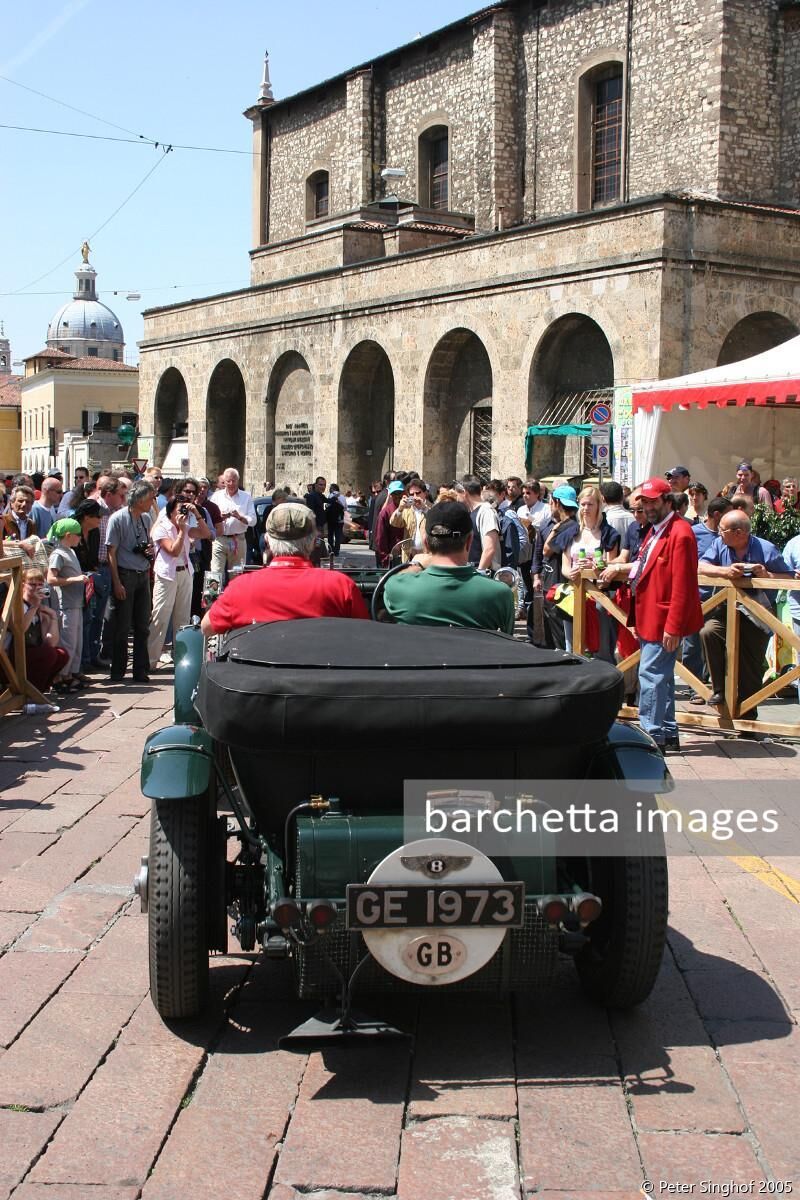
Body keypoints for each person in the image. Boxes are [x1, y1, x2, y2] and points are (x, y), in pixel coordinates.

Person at [201, 502, 369, 635]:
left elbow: (207, 627)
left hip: (259, 675)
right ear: (312, 542)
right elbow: (364, 634)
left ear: (267, 541)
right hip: (324, 674)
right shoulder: (340, 586)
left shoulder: (241, 587)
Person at [627, 476, 703, 754]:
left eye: (652, 501)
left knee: (651, 675)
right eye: (643, 502)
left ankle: (651, 733)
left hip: (663, 619)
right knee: (662, 676)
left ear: (667, 501)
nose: (647, 506)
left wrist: (673, 626)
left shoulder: (681, 532)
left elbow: (683, 584)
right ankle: (667, 733)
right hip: (650, 615)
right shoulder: (657, 529)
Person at [699, 511, 790, 716]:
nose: (719, 533)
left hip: (758, 613)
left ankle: (748, 714)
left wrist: (766, 575)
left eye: (722, 530)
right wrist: (726, 571)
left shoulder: (766, 548)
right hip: (725, 608)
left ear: (739, 532)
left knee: (749, 663)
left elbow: (789, 577)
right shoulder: (719, 544)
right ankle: (719, 690)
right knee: (708, 632)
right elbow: (701, 566)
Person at [382, 500, 515, 632]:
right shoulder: (500, 594)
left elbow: (390, 584)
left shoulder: (397, 586)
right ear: (469, 541)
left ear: (425, 543)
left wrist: (417, 564)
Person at [561, 486, 621, 660]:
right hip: (574, 593)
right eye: (583, 504)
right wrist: (570, 572)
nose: (586, 508)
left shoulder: (609, 533)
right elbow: (565, 566)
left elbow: (611, 563)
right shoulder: (571, 532)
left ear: (599, 506)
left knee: (601, 645)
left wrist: (598, 568)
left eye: (590, 504)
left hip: (599, 595)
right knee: (573, 644)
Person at [105, 479, 156, 683]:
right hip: (125, 575)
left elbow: (148, 544)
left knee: (143, 626)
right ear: (141, 499)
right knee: (123, 626)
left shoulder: (145, 519)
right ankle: (118, 671)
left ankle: (140, 670)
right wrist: (116, 582)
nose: (153, 501)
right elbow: (111, 553)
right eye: (150, 498)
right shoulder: (117, 519)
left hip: (143, 574)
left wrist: (149, 551)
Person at [147, 495, 196, 671]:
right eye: (180, 509)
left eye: (185, 508)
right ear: (171, 510)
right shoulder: (161, 528)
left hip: (185, 573)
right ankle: (150, 662)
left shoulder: (187, 524)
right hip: (167, 575)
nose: (183, 512)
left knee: (182, 620)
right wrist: (182, 531)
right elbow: (174, 551)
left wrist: (195, 513)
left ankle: (181, 661)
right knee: (160, 617)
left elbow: (207, 534)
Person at [528, 484, 580, 649]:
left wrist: (556, 528)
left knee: (562, 631)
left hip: (562, 584)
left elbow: (547, 549)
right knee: (548, 627)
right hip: (548, 582)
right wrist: (536, 575)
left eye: (552, 501)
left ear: (557, 502)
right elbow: (537, 552)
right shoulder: (546, 524)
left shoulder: (572, 526)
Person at [47, 518, 88, 693]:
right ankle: (61, 677)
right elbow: (51, 579)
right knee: (68, 643)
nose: (80, 537)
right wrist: (74, 579)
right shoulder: (58, 554)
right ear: (69, 535)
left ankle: (70, 674)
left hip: (76, 602)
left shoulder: (70, 551)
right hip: (66, 605)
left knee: (76, 642)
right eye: (78, 534)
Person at [13, 567, 68, 694]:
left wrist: (53, 618)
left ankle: (39, 691)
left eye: (40, 585)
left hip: (31, 651)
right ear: (23, 585)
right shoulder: (17, 604)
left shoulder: (39, 607)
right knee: (49, 654)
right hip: (14, 654)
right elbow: (20, 630)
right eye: (32, 584)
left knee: (61, 654)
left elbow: (50, 642)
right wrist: (34, 606)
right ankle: (32, 693)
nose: (37, 588)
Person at [72, 498, 103, 680]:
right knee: (78, 624)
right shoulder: (72, 529)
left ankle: (88, 658)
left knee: (91, 620)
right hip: (75, 581)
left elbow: (93, 557)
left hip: (89, 579)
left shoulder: (95, 532)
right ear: (86, 516)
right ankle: (79, 665)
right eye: (97, 516)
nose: (100, 519)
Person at [210, 468, 257, 577]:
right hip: (219, 540)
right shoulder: (216, 497)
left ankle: (234, 594)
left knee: (236, 574)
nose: (231, 484)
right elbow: (209, 518)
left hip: (238, 540)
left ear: (238, 480)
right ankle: (214, 594)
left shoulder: (246, 497)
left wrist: (240, 517)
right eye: (228, 481)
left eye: (234, 480)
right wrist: (219, 518)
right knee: (215, 573)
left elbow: (253, 520)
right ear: (224, 482)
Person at [457, 477, 501, 573]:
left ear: (464, 492)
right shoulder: (470, 512)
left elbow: (489, 548)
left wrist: (480, 573)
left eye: (458, 493)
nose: (457, 497)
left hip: (483, 574)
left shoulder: (486, 511)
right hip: (470, 572)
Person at [390, 478, 430, 560]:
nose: (415, 496)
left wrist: (424, 508)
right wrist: (400, 509)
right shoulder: (407, 509)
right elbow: (394, 523)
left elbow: (436, 520)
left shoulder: (431, 507)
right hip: (409, 554)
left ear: (425, 493)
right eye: (412, 494)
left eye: (418, 493)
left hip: (426, 554)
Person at [374, 480, 406, 567]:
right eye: (395, 493)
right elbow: (380, 537)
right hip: (393, 557)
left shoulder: (409, 509)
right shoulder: (385, 512)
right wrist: (385, 558)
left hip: (408, 556)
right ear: (391, 495)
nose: (398, 496)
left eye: (400, 492)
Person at [325, 483, 346, 557]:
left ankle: (331, 550)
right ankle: (337, 551)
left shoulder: (331, 495)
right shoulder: (343, 497)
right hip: (340, 520)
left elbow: (327, 505)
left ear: (332, 489)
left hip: (331, 520)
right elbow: (345, 508)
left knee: (330, 535)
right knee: (338, 536)